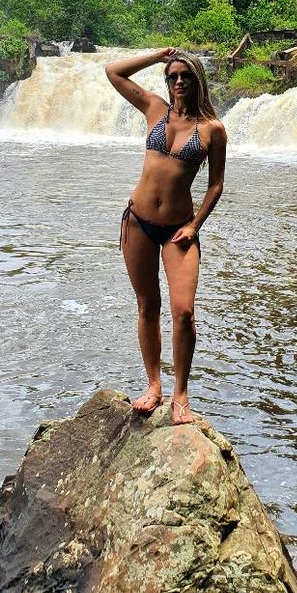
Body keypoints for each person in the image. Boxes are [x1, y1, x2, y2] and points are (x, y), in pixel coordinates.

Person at [105, 47, 227, 425]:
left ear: (197, 79)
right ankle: (154, 385)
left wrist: (195, 226)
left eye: (185, 76)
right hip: (137, 221)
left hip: (179, 230)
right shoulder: (155, 109)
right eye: (172, 76)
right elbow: (114, 72)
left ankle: (181, 394)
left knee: (184, 312)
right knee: (147, 305)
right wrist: (159, 55)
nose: (178, 82)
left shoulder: (212, 130)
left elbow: (216, 185)